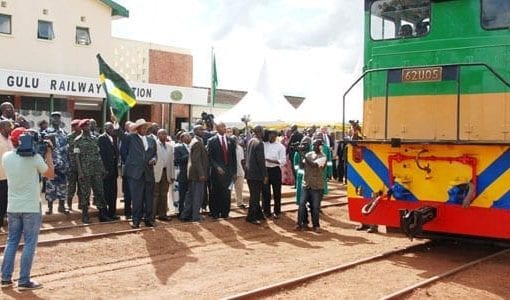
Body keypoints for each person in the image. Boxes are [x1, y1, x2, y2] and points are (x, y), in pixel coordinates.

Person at [1, 127, 54, 290]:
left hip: (13, 207)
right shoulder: (35, 158)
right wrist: (49, 152)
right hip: (31, 207)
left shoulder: (6, 157)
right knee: (30, 242)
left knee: (12, 241)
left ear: (13, 141)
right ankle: (24, 280)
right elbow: (51, 174)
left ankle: (5, 278)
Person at [116, 118, 157, 228]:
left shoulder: (152, 140)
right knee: (137, 198)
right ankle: (136, 221)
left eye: (146, 127)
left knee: (148, 198)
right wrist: (116, 123)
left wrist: (154, 159)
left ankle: (148, 220)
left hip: (148, 173)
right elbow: (120, 134)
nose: (145, 129)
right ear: (138, 129)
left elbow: (154, 154)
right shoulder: (131, 138)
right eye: (142, 128)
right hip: (135, 173)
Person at [74, 119, 112, 224]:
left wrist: (102, 169)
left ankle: (102, 214)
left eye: (89, 126)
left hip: (96, 171)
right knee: (85, 194)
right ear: (82, 128)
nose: (88, 127)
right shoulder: (78, 140)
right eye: (86, 126)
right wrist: (80, 171)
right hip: (85, 171)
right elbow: (77, 157)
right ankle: (85, 215)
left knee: (99, 191)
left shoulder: (95, 139)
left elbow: (98, 155)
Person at [296, 138, 326, 233]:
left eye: (317, 145)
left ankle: (316, 225)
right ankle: (300, 223)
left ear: (321, 146)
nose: (315, 146)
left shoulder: (323, 157)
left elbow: (313, 165)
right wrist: (300, 156)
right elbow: (301, 166)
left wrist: (302, 154)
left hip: (317, 186)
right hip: (306, 184)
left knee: (315, 207)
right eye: (314, 145)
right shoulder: (308, 154)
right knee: (301, 204)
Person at [207, 122, 237, 219]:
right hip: (216, 173)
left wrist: (234, 172)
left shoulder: (231, 140)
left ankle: (225, 212)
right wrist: (217, 167)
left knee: (226, 193)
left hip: (228, 173)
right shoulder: (211, 141)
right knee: (215, 193)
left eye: (225, 127)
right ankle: (215, 213)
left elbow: (234, 158)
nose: (224, 128)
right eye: (222, 127)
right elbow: (209, 157)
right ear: (217, 128)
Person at [42, 112, 69, 215]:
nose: (56, 120)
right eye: (54, 118)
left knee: (62, 186)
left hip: (62, 164)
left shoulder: (64, 133)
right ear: (51, 120)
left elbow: (67, 149)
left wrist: (67, 164)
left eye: (58, 118)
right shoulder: (46, 132)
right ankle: (50, 208)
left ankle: (61, 206)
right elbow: (43, 148)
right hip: (51, 165)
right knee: (50, 186)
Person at [181, 125, 208, 222]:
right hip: (197, 174)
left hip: (193, 173)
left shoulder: (195, 141)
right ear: (196, 131)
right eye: (201, 129)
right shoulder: (197, 142)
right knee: (197, 196)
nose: (203, 131)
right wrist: (201, 174)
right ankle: (195, 216)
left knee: (190, 195)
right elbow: (196, 160)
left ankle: (185, 215)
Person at [245, 125, 268, 225]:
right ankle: (251, 217)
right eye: (263, 131)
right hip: (256, 174)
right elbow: (261, 161)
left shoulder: (251, 141)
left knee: (254, 194)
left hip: (250, 173)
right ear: (260, 132)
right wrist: (265, 175)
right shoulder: (259, 143)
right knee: (255, 196)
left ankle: (259, 214)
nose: (264, 133)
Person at [262, 129, 286, 219]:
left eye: (273, 135)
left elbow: (283, 161)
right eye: (270, 135)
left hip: (275, 170)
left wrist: (271, 160)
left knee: (277, 192)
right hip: (265, 170)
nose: (271, 136)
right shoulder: (264, 144)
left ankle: (277, 211)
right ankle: (266, 211)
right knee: (265, 192)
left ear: (276, 136)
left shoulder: (281, 147)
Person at [98, 122, 119, 220]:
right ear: (105, 128)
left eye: (112, 128)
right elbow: (100, 156)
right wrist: (103, 169)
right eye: (109, 128)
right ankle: (103, 214)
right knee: (105, 193)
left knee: (113, 193)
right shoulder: (101, 138)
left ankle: (112, 213)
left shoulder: (114, 138)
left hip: (114, 170)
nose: (112, 129)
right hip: (105, 171)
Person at [153, 129, 175, 221]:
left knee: (164, 194)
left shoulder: (170, 146)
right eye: (162, 134)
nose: (164, 135)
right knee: (155, 194)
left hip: (167, 172)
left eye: (166, 134)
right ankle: (152, 216)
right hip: (156, 173)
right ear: (158, 135)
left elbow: (172, 162)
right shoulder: (154, 144)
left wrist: (172, 175)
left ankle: (163, 214)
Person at [174, 131, 190, 218]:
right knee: (182, 194)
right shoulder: (178, 148)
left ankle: (189, 212)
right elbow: (176, 160)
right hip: (183, 174)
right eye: (187, 136)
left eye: (189, 136)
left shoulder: (193, 147)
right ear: (182, 138)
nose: (189, 137)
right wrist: (189, 155)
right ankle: (181, 212)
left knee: (190, 194)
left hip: (192, 174)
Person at [66, 119, 81, 211]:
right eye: (76, 126)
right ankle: (69, 205)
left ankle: (81, 204)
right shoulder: (69, 137)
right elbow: (66, 152)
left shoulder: (83, 136)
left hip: (82, 166)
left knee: (82, 186)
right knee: (71, 186)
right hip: (71, 166)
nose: (78, 127)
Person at [119, 121, 134, 219]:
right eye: (131, 128)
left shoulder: (137, 138)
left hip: (138, 169)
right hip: (128, 168)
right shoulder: (125, 137)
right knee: (128, 191)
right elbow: (123, 153)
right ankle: (128, 212)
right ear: (127, 128)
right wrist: (131, 162)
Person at [0, 120, 13, 229]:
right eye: (9, 126)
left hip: (11, 176)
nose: (11, 128)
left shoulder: (11, 139)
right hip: (1, 176)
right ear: (3, 127)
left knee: (7, 201)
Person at [232, 136, 246, 208]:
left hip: (240, 171)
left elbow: (242, 160)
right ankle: (227, 204)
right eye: (233, 140)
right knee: (228, 190)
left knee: (239, 188)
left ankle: (240, 203)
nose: (234, 141)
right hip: (230, 173)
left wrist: (244, 170)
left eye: (235, 140)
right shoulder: (228, 148)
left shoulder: (240, 148)